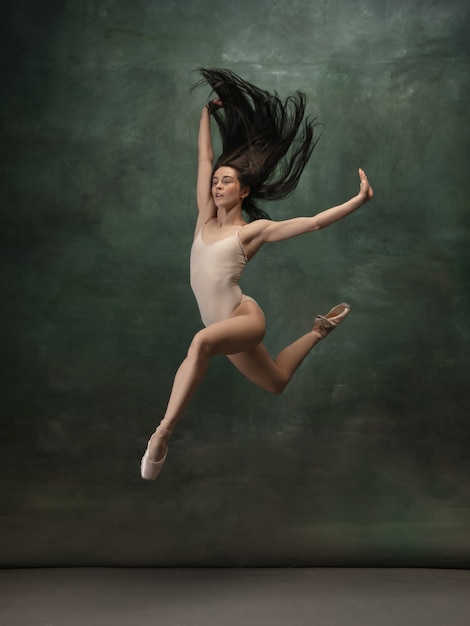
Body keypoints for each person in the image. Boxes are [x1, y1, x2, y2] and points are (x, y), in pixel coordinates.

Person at [141, 69, 373, 480]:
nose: (216, 186)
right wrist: (204, 115)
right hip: (223, 329)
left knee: (200, 343)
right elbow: (204, 158)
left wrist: (358, 200)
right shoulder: (202, 220)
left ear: (243, 190)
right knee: (276, 381)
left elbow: (315, 222)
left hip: (243, 320)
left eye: (226, 182)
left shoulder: (250, 233)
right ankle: (320, 330)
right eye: (215, 182)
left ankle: (162, 433)